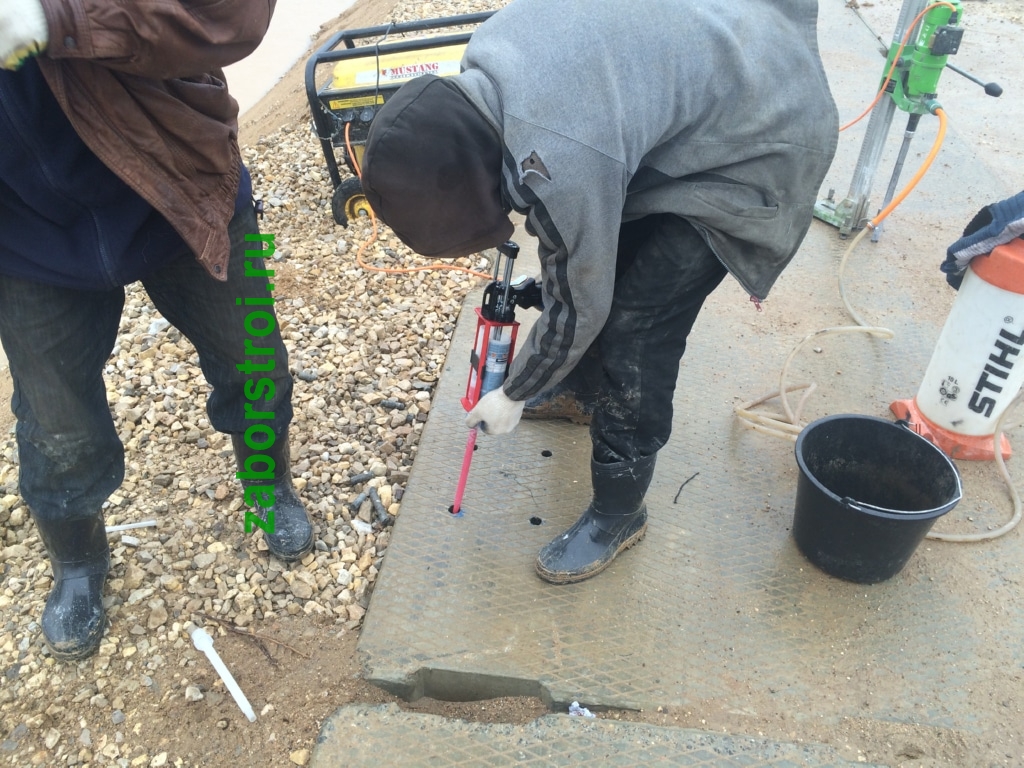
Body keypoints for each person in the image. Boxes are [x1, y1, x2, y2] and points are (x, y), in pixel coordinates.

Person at [360, 0, 839, 584]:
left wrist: (515, 390)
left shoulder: (559, 157)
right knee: (611, 264)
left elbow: (583, 299)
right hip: (717, 75)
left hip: (758, 142)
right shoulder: (489, 58)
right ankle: (580, 394)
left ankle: (619, 511)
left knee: (638, 327)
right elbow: (577, 255)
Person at [0, 0, 314, 661]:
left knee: (254, 359)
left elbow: (233, 13)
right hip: (24, 229)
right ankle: (78, 560)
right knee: (56, 420)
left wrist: (56, 18)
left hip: (180, 178)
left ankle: (267, 485)